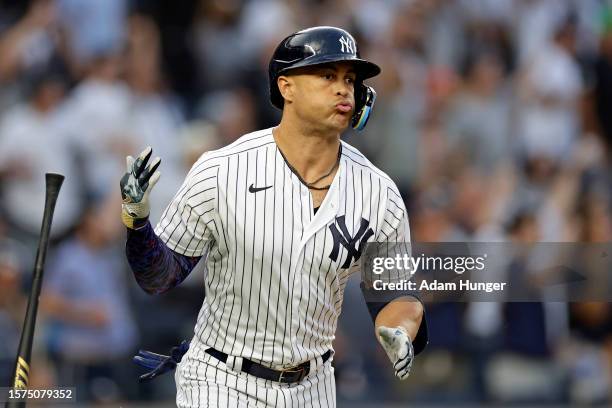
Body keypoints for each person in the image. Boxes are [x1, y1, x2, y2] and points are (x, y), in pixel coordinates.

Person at [121, 26, 428, 407]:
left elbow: (396, 296)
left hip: (313, 385)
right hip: (221, 378)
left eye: (350, 79)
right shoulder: (223, 170)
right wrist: (137, 221)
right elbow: (159, 278)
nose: (343, 89)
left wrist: (399, 329)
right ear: (287, 87)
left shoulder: (379, 192)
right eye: (327, 75)